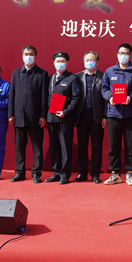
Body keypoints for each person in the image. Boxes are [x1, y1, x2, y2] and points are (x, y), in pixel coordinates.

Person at [101, 43, 132, 186]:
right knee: (114, 146)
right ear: (117, 54)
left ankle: (130, 173)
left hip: (130, 115)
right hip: (113, 114)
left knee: (131, 146)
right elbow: (104, 88)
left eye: (126, 53)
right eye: (121, 53)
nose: (123, 56)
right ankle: (115, 173)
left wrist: (131, 97)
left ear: (130, 55)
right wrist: (109, 97)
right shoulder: (109, 71)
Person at [8, 45, 49, 183]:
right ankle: (20, 172)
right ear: (22, 56)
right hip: (19, 116)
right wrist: (11, 114)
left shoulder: (42, 74)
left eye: (31, 54)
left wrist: (43, 115)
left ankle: (36, 173)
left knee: (37, 146)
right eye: (26, 54)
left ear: (35, 56)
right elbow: (12, 95)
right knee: (19, 146)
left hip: (36, 117)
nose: (28, 56)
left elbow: (44, 97)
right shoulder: (16, 73)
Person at [46, 52, 79, 185]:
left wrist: (65, 112)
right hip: (51, 118)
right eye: (57, 61)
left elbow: (76, 99)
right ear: (53, 63)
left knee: (65, 147)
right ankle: (56, 172)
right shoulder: (49, 78)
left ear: (67, 63)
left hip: (65, 118)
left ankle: (65, 174)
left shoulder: (72, 78)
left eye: (62, 61)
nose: (60, 63)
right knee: (54, 147)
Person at [74, 51, 106, 183]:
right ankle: (82, 173)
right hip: (81, 118)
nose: (89, 62)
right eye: (87, 60)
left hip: (97, 118)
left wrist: (105, 116)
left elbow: (106, 99)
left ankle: (95, 174)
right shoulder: (77, 77)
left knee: (96, 147)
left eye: (92, 60)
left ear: (97, 62)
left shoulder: (103, 76)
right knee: (82, 147)